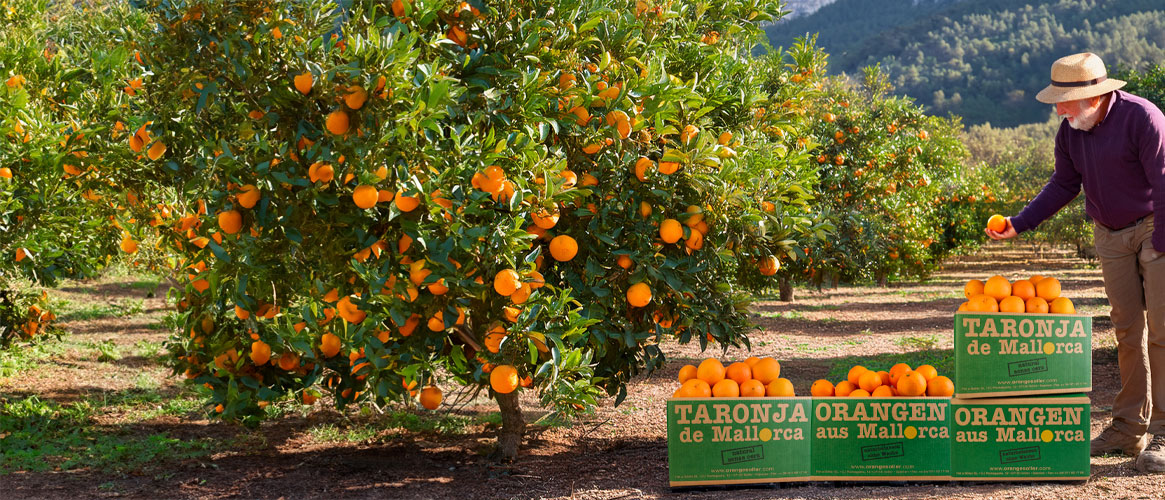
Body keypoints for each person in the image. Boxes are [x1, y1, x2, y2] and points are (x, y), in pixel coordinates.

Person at [986, 52, 1165, 473]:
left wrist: (1162, 241)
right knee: (1126, 328)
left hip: (1155, 224)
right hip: (1109, 232)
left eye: (1063, 102)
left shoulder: (1143, 118)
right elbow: (1064, 184)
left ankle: (1163, 429)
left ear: (1094, 95)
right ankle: (1127, 427)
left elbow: (1163, 181)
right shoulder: (1071, 132)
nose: (1058, 110)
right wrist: (1020, 223)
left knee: (1162, 328)